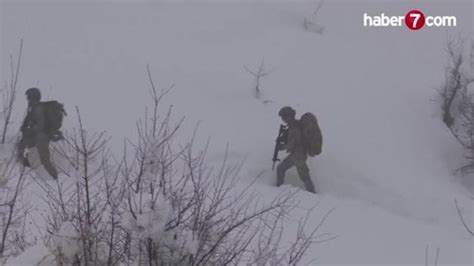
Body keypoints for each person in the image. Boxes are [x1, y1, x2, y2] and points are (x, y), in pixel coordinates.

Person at [17, 88, 59, 179]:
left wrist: (28, 131)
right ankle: (25, 166)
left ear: (33, 97)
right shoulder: (34, 108)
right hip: (38, 136)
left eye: (29, 97)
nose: (27, 99)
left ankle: (55, 177)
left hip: (42, 137)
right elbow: (28, 121)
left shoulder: (38, 108)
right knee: (22, 144)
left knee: (45, 160)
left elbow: (41, 125)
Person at [276, 106, 316, 193]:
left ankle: (278, 189)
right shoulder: (295, 125)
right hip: (300, 155)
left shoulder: (294, 127)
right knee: (305, 177)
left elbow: (291, 144)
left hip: (297, 156)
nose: (283, 119)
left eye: (283, 117)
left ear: (288, 116)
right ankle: (312, 192)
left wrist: (282, 147)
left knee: (281, 169)